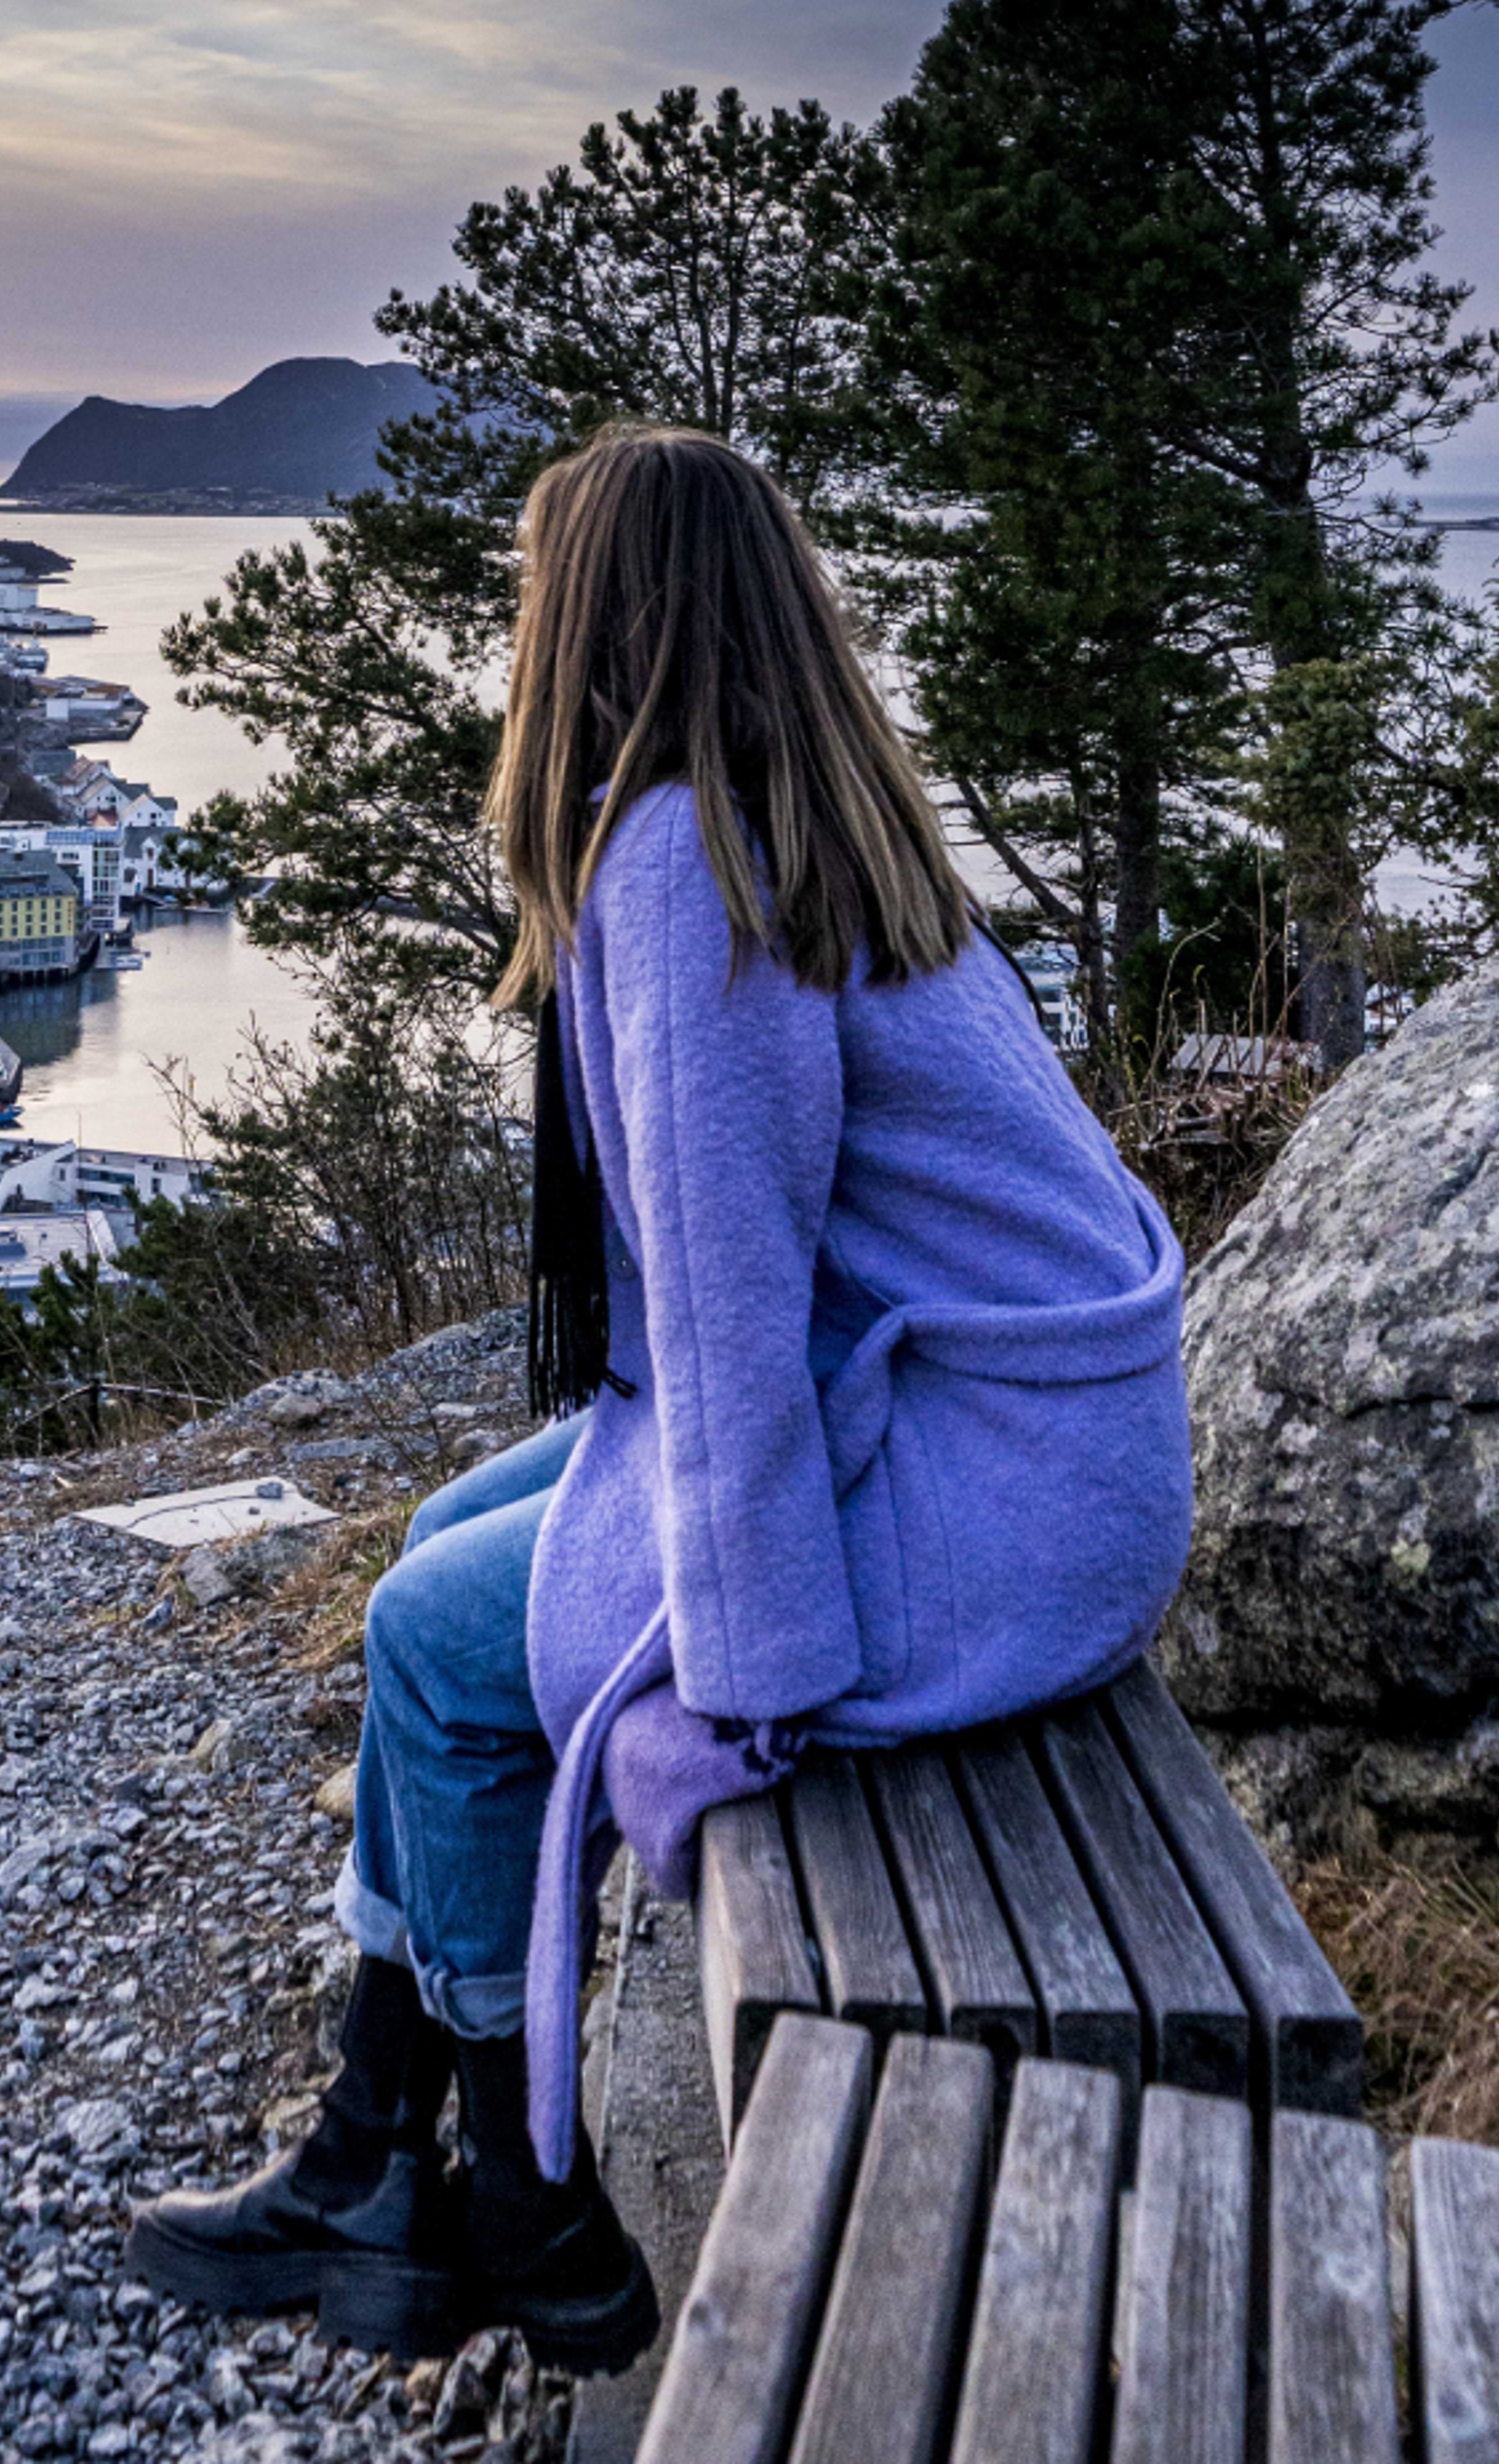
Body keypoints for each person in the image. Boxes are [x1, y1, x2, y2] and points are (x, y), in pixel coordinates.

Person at [127, 423, 1193, 2376]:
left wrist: (751, 1680)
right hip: (1056, 1464)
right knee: (457, 1550)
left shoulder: (687, 870)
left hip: (984, 1495)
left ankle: (522, 2213)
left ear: (588, 623)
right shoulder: (820, 815)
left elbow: (720, 1316)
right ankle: (376, 2142)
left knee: (441, 1644)